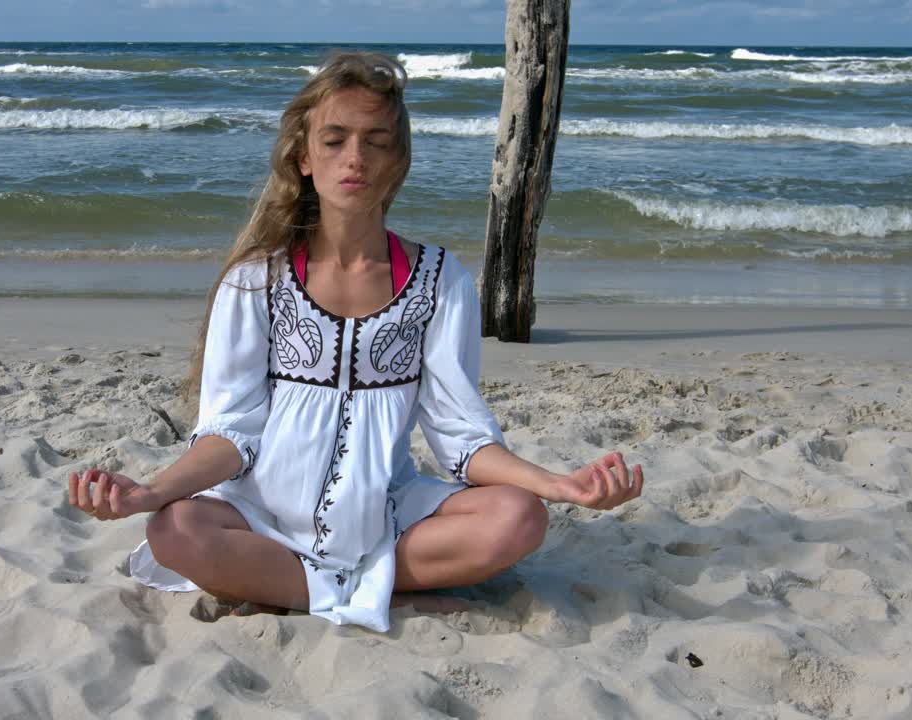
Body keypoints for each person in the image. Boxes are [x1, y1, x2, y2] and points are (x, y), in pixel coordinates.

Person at [67, 51, 643, 632]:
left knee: (520, 517)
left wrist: (556, 483)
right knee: (173, 530)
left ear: (398, 160)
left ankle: (307, 589)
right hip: (260, 517)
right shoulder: (255, 282)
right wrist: (149, 491)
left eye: (376, 141)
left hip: (384, 519)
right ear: (304, 158)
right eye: (335, 139)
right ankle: (377, 593)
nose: (356, 158)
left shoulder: (442, 282)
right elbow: (230, 434)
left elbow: (461, 441)